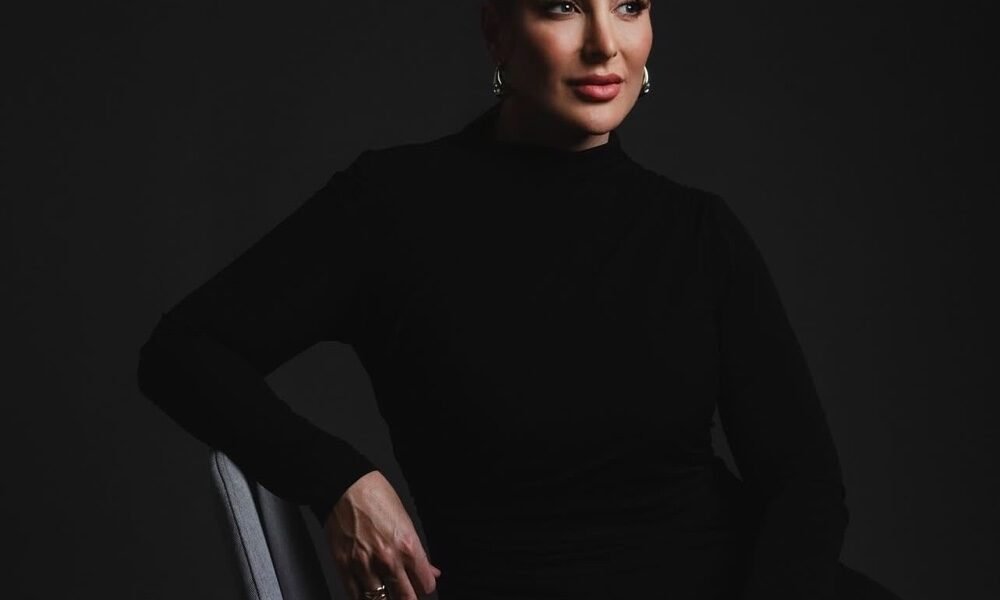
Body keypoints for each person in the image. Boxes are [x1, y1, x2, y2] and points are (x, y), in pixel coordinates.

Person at [136, 1, 903, 599]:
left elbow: (804, 485)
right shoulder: (394, 208)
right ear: (497, 32)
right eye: (564, 7)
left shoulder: (698, 231)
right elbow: (181, 351)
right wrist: (338, 481)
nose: (605, 44)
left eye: (629, 7)